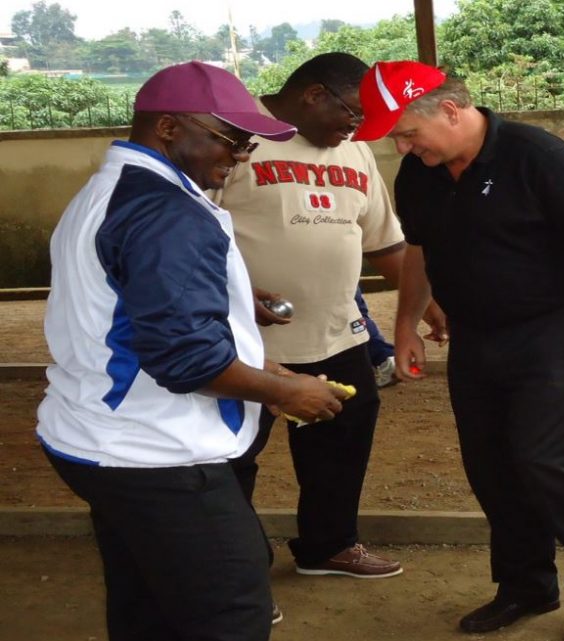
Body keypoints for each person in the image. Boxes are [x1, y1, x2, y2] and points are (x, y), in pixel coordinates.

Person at [352, 60, 564, 641]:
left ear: (450, 111)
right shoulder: (420, 173)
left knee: (547, 459)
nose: (402, 147)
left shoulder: (538, 156)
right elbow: (420, 251)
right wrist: (406, 324)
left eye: (408, 132)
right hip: (478, 334)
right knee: (491, 464)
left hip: (555, 326)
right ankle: (525, 586)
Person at [35, 61, 350, 641]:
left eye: (248, 141)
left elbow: (133, 306)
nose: (242, 155)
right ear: (170, 128)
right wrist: (288, 390)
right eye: (231, 139)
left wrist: (247, 339)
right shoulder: (166, 210)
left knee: (148, 604)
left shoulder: (113, 191)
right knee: (229, 610)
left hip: (98, 437)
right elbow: (187, 359)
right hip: (157, 454)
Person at [216, 52, 443, 579]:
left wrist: (427, 302)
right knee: (232, 459)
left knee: (342, 445)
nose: (358, 128)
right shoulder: (232, 134)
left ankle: (328, 545)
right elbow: (191, 231)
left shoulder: (354, 150)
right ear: (315, 95)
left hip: (338, 333)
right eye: (353, 114)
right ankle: (236, 570)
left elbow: (386, 241)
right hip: (245, 344)